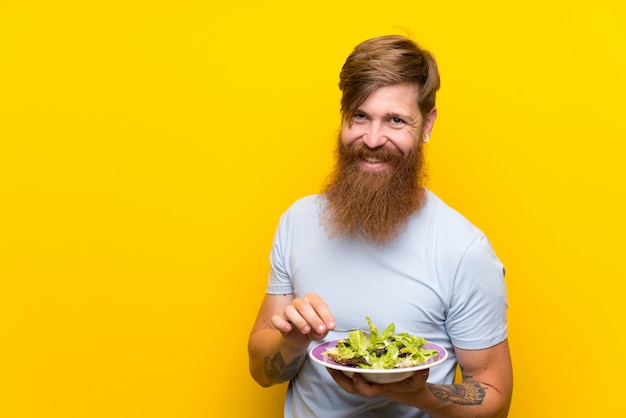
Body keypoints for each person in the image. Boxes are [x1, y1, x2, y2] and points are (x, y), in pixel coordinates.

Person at [248, 35, 513, 418]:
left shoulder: (464, 249)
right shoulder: (298, 222)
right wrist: (290, 344)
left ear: (427, 123)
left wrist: (415, 394)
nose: (373, 139)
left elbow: (495, 397)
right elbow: (260, 372)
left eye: (395, 120)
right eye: (360, 116)